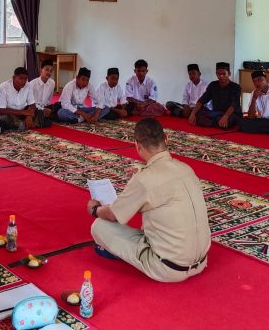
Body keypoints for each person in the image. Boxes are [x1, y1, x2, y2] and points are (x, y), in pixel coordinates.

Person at [87, 118, 210, 282]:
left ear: (137, 145)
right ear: (166, 139)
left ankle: (123, 252)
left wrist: (95, 210)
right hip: (201, 262)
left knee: (99, 226)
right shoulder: (186, 169)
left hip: (167, 268)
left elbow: (112, 214)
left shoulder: (144, 180)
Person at [189, 62, 242, 128]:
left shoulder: (236, 87)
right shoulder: (213, 85)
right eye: (219, 74)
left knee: (230, 120)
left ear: (229, 74)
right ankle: (218, 123)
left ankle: (215, 123)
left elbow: (234, 104)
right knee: (198, 113)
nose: (221, 76)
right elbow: (202, 100)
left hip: (232, 114)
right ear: (216, 73)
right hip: (217, 113)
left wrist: (225, 117)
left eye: (223, 74)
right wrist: (193, 113)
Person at [0, 67, 39, 131]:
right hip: (3, 115)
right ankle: (21, 125)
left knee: (39, 112)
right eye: (21, 78)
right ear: (14, 77)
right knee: (5, 119)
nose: (23, 81)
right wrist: (23, 112)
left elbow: (32, 105)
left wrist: (29, 116)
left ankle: (21, 124)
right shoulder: (3, 87)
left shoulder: (28, 85)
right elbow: (2, 110)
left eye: (25, 79)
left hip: (20, 115)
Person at [28, 59, 56, 125]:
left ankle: (45, 118)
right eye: (46, 69)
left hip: (45, 107)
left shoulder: (52, 83)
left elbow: (49, 100)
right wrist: (42, 109)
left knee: (58, 108)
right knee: (34, 113)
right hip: (35, 108)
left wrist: (47, 109)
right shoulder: (32, 84)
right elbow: (29, 102)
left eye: (51, 71)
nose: (49, 72)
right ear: (41, 70)